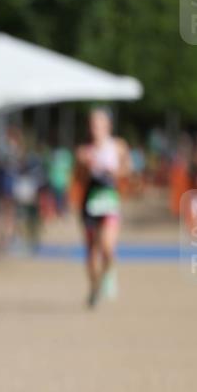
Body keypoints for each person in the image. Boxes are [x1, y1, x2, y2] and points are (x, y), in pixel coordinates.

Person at [75, 108, 130, 308]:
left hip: (109, 202)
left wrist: (114, 171)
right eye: (92, 124)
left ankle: (108, 273)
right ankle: (94, 288)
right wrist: (85, 167)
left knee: (107, 248)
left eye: (98, 124)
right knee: (91, 252)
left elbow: (127, 171)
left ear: (108, 125)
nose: (94, 128)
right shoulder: (83, 151)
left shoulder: (118, 146)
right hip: (90, 203)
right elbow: (78, 180)